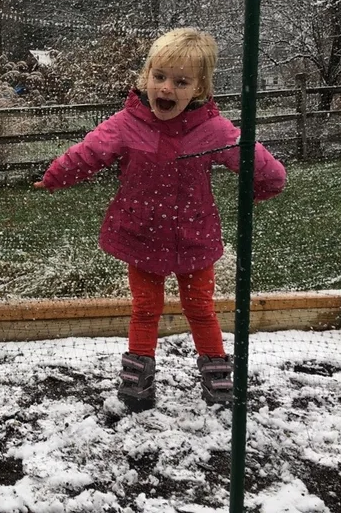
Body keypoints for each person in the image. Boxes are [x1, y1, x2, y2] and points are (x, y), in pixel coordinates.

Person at [34, 28, 285, 411]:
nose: (166, 88)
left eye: (181, 82)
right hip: (143, 234)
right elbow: (88, 153)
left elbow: (255, 160)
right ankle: (137, 380)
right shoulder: (126, 124)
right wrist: (55, 176)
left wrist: (265, 185)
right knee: (145, 307)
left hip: (193, 234)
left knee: (199, 307)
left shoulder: (212, 130)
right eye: (160, 77)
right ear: (146, 76)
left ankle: (217, 379)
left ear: (199, 87)